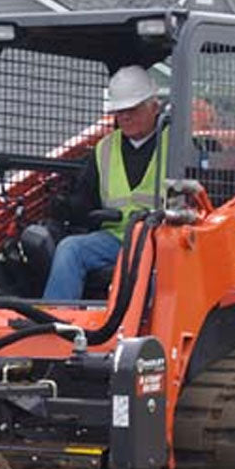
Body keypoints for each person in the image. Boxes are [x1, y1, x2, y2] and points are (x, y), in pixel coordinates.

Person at [42, 65, 167, 300]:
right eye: (120, 111)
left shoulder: (177, 143)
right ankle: (56, 324)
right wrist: (65, 207)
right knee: (70, 249)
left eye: (133, 108)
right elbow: (85, 200)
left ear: (154, 106)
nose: (126, 116)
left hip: (163, 240)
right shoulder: (104, 148)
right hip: (116, 238)